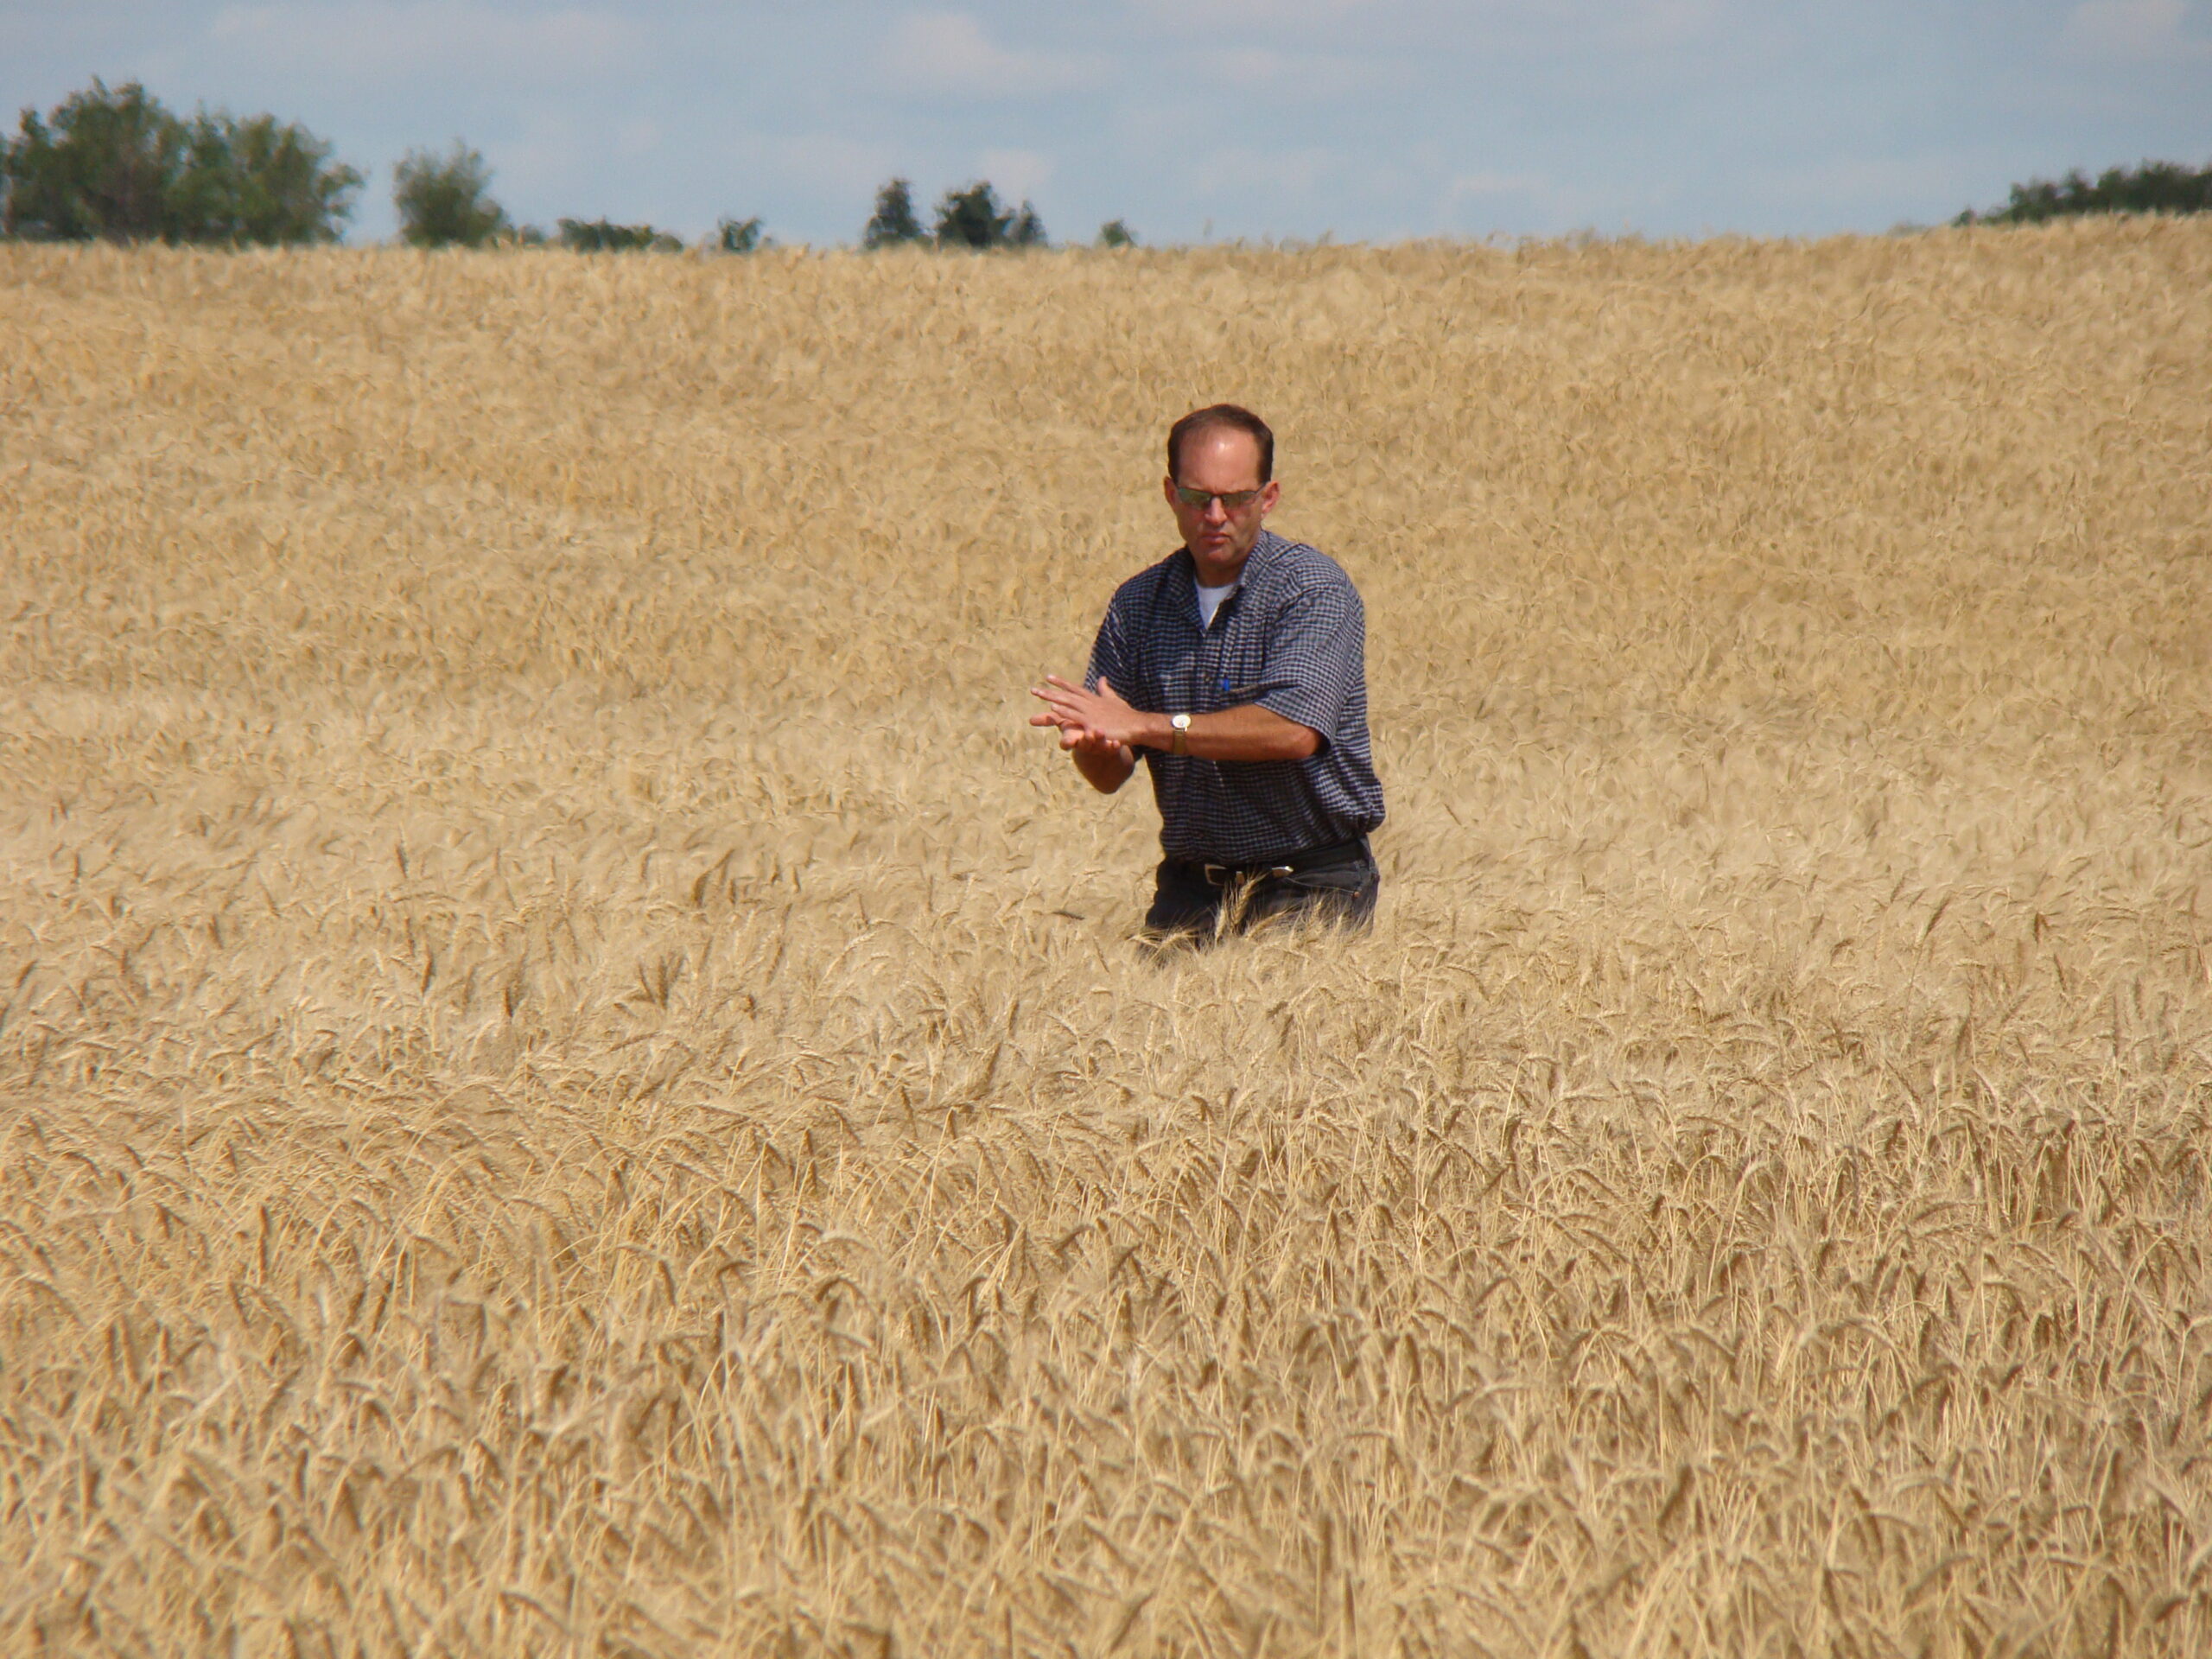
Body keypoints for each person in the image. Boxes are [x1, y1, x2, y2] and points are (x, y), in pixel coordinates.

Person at [1030, 404, 1385, 941]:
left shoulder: (1312, 590)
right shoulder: (1138, 603)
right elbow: (1109, 774)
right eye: (1198, 498)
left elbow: (1291, 731)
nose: (1215, 515)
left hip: (1310, 885)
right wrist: (1096, 744)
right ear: (1171, 494)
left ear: (1269, 497)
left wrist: (1146, 727)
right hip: (1189, 892)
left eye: (1236, 498)